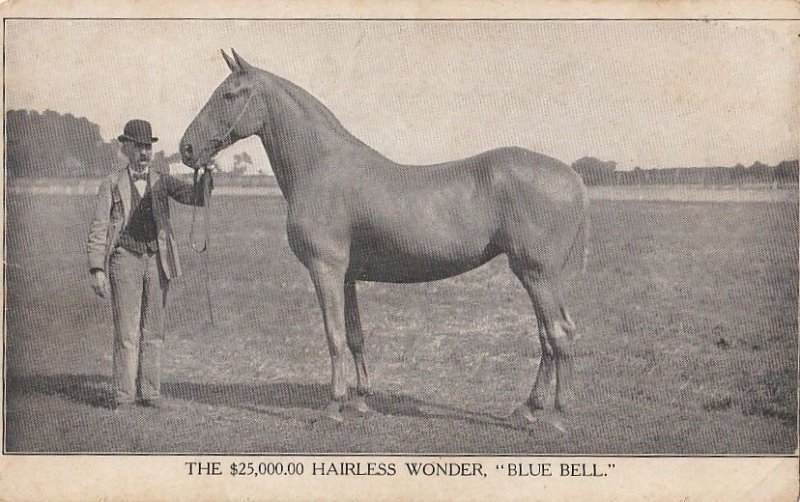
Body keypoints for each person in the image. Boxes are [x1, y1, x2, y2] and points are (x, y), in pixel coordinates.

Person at [87, 119, 211, 411]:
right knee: (127, 332)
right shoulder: (111, 183)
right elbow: (99, 227)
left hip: (158, 261)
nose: (144, 153)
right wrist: (97, 268)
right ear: (126, 148)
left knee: (154, 331)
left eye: (148, 147)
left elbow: (195, 197)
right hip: (124, 260)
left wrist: (205, 175)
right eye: (138, 147)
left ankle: (151, 393)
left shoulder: (162, 179)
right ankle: (124, 396)